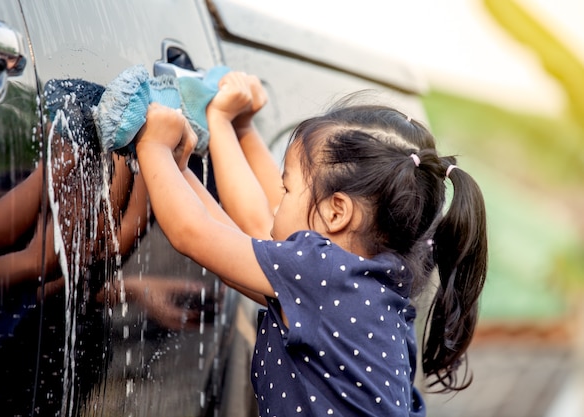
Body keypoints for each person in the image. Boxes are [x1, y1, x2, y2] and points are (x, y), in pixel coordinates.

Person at [134, 72, 488, 416]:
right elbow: (237, 241)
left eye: (286, 190)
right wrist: (183, 166)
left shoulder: (322, 276)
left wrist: (153, 144)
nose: (279, 200)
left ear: (337, 213)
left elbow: (199, 234)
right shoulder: (371, 286)